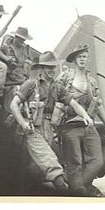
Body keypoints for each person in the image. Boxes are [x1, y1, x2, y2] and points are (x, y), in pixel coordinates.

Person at [9, 51, 94, 192]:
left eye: (53, 67)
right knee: (50, 162)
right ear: (41, 68)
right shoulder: (31, 84)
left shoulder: (57, 87)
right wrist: (23, 123)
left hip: (48, 128)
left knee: (45, 161)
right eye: (48, 67)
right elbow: (14, 104)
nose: (52, 71)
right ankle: (63, 189)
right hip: (32, 129)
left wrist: (85, 115)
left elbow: (73, 103)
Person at [57, 43, 105, 196]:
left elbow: (98, 103)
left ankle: (77, 186)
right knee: (75, 161)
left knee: (97, 160)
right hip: (69, 124)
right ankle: (78, 191)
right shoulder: (65, 77)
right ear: (74, 59)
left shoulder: (92, 81)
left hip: (89, 125)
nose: (82, 59)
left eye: (84, 57)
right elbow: (53, 96)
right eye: (79, 57)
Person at [0, 27, 39, 114]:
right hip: (8, 77)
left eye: (23, 39)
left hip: (21, 77)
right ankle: (10, 112)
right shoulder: (7, 47)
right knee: (12, 92)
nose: (22, 41)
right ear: (16, 37)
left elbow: (28, 64)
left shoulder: (24, 49)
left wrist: (26, 75)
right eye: (20, 39)